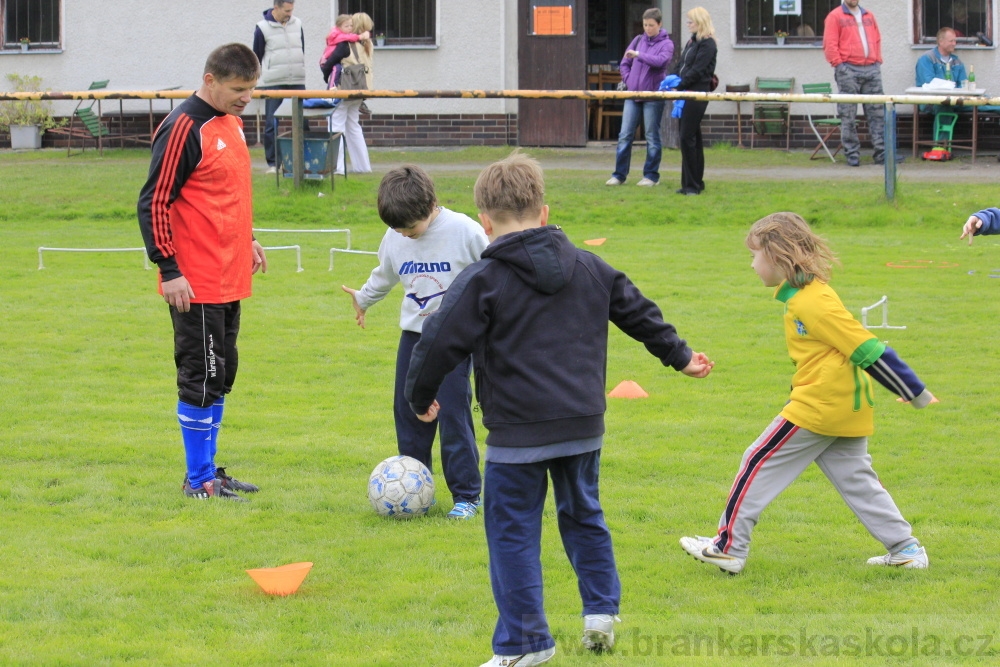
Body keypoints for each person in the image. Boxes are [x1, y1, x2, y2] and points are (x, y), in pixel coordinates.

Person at [405, 153, 714, 666]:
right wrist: (679, 356)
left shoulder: (482, 280)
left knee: (512, 532)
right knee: (583, 513)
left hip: (517, 437)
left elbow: (436, 341)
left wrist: (420, 398)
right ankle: (600, 613)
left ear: (484, 222)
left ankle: (526, 645)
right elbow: (638, 311)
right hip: (582, 427)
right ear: (544, 213)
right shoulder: (591, 267)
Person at [680, 212, 936, 575]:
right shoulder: (804, 296)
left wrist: (914, 391)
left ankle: (728, 548)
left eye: (754, 255)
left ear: (777, 256)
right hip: (846, 405)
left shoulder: (812, 302)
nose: (752, 265)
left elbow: (865, 347)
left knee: (756, 459)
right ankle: (905, 549)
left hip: (820, 405)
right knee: (857, 480)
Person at [137, 43, 268, 501]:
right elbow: (153, 200)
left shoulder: (230, 123)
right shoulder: (183, 127)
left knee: (222, 372)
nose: (246, 97)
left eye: (251, 89)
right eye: (238, 89)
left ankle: (211, 471)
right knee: (202, 374)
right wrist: (168, 268)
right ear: (210, 80)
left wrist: (247, 237)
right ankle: (199, 482)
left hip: (230, 273)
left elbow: (225, 192)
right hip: (194, 281)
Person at [341, 165, 487, 519]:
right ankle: (416, 490)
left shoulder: (465, 231)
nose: (404, 235)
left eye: (410, 228)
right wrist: (363, 299)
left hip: (454, 340)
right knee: (409, 412)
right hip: (414, 338)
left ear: (432, 205)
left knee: (452, 413)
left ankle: (467, 495)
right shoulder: (395, 238)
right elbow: (384, 274)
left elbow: (494, 270)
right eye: (397, 229)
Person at [604, 7, 673, 187]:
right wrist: (629, 79)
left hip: (653, 97)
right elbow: (625, 63)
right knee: (625, 135)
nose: (647, 28)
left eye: (651, 25)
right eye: (645, 25)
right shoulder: (637, 40)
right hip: (632, 95)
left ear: (659, 24)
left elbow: (660, 62)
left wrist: (640, 55)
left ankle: (651, 176)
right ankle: (619, 175)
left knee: (651, 136)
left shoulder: (667, 44)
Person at [823, 0, 893, 167]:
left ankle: (881, 154)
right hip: (848, 70)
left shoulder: (869, 15)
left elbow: (877, 39)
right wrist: (840, 66)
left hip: (872, 69)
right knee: (848, 115)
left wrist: (877, 61)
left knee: (877, 114)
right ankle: (852, 154)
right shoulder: (834, 16)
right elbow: (829, 44)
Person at [663, 7, 717, 196]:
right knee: (692, 138)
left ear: (700, 22)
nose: (688, 24)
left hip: (697, 93)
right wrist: (672, 78)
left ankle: (692, 185)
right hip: (686, 92)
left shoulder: (708, 44)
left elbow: (698, 70)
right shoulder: (692, 42)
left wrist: (681, 84)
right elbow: (682, 64)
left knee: (687, 137)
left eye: (690, 21)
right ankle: (692, 183)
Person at [253, 0, 306, 174]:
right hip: (273, 81)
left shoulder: (297, 23)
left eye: (292, 10)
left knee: (303, 120)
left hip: (297, 79)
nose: (290, 14)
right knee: (271, 123)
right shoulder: (262, 28)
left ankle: (306, 160)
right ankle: (273, 164)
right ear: (276, 8)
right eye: (286, 10)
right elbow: (257, 56)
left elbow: (301, 48)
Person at [325, 12, 374, 175]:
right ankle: (363, 166)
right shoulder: (368, 44)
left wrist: (327, 77)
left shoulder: (345, 45)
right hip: (360, 90)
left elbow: (328, 64)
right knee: (354, 127)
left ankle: (337, 168)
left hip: (343, 90)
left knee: (336, 126)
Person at [915, 28, 968, 114]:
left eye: (955, 41)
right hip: (930, 101)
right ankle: (943, 128)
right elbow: (929, 83)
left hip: (954, 101)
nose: (954, 44)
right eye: (951, 41)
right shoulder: (927, 58)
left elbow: (964, 84)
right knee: (945, 106)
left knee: (989, 103)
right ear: (940, 41)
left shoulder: (957, 61)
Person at [320, 13, 370, 83]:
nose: (349, 28)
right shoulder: (340, 37)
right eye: (346, 26)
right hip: (327, 60)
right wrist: (361, 36)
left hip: (354, 81)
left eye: (351, 26)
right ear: (339, 27)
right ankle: (331, 89)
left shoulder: (353, 42)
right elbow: (349, 37)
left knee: (336, 70)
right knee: (337, 69)